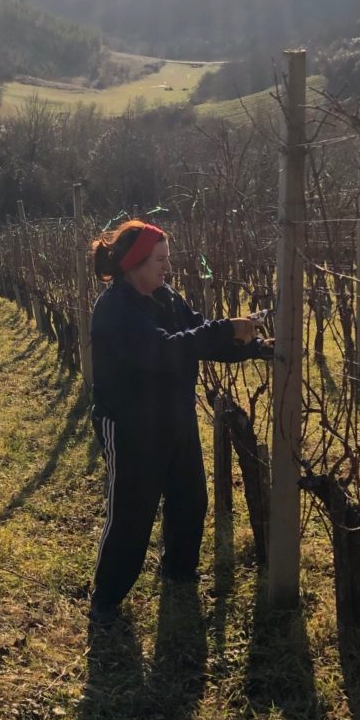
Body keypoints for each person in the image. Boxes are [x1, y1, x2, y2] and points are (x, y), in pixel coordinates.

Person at [87, 220, 271, 627]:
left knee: (190, 499)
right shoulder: (115, 308)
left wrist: (253, 347)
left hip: (174, 415)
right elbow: (163, 351)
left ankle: (179, 572)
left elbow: (197, 336)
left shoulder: (165, 297)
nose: (168, 268)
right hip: (131, 423)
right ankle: (106, 600)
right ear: (135, 263)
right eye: (161, 260)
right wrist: (227, 329)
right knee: (132, 512)